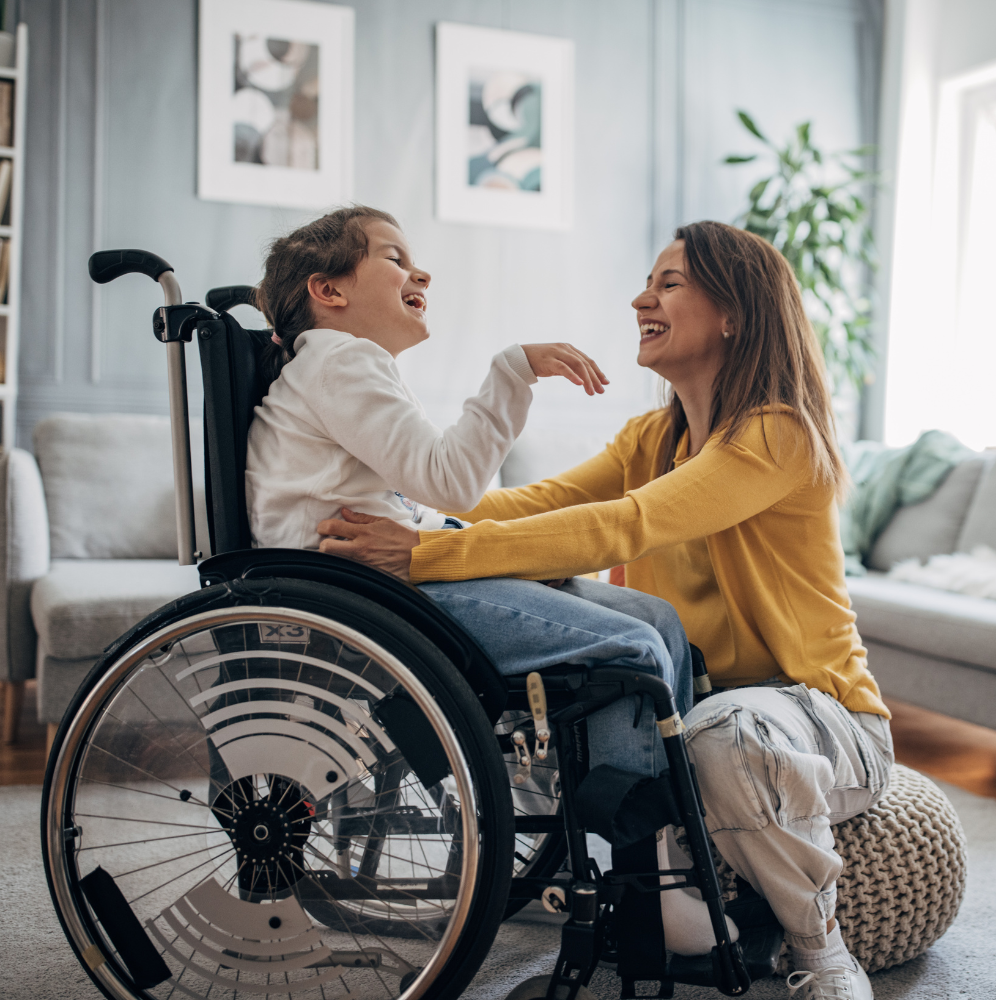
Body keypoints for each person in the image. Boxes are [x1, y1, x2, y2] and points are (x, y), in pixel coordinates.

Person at [315, 220, 892, 1000]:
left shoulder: (777, 433)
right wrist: (398, 511)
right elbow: (528, 506)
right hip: (689, 706)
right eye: (648, 282)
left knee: (725, 735)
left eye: (669, 284)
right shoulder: (654, 434)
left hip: (819, 716)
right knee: (553, 723)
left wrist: (422, 555)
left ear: (735, 314)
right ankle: (662, 897)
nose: (639, 298)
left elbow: (628, 524)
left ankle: (821, 952)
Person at [245, 205, 702, 815]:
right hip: (372, 597)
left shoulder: (333, 368)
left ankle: (669, 831)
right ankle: (635, 861)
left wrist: (493, 550)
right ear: (328, 291)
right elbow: (450, 478)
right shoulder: (340, 361)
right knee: (635, 647)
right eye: (394, 258)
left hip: (382, 585)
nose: (421, 274)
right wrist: (511, 371)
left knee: (661, 621)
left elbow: (416, 501)